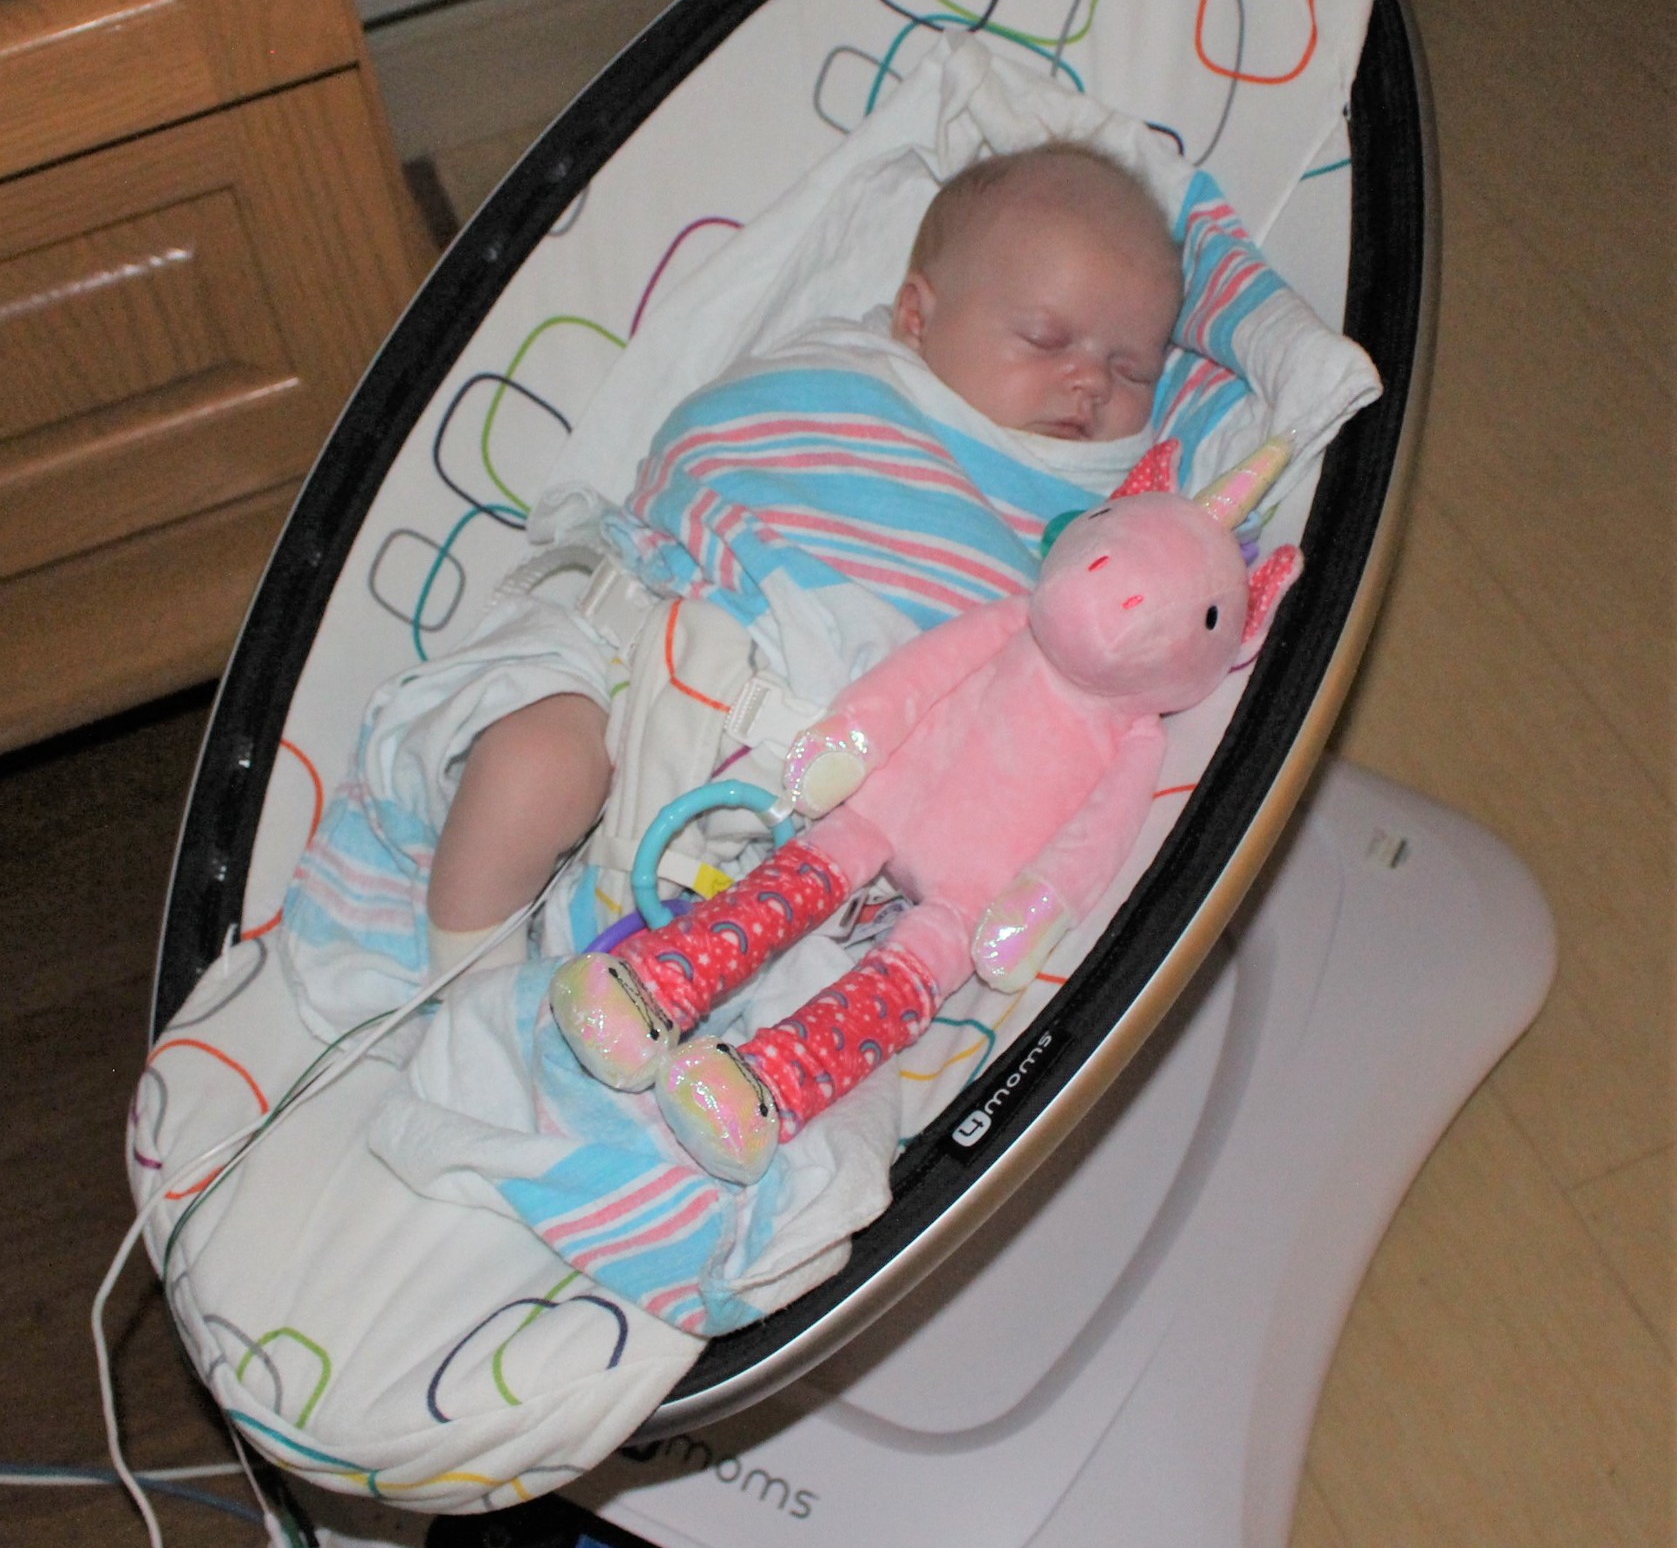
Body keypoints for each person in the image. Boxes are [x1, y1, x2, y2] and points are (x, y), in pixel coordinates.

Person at [425, 140, 1183, 973]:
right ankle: (465, 984)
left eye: (1130, 369)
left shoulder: (1091, 521)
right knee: (531, 765)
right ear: (918, 317)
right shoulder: (843, 381)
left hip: (817, 794)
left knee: (807, 951)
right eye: (1045, 338)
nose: (1088, 384)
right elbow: (710, 448)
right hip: (644, 655)